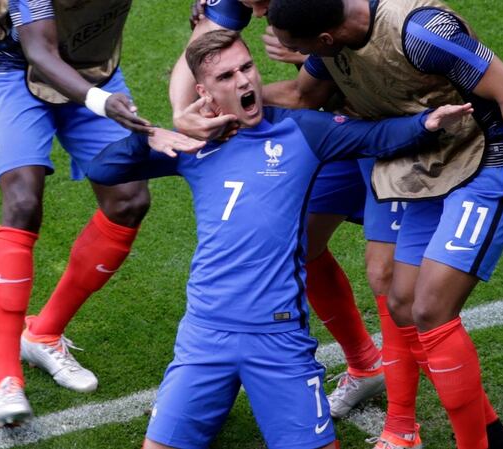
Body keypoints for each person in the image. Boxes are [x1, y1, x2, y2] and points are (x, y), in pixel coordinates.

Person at [86, 30, 472, 449]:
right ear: (204, 92)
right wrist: (151, 135)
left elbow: (373, 137)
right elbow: (103, 169)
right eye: (227, 77)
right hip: (203, 336)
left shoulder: (302, 131)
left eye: (247, 68)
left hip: (278, 340)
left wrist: (426, 122)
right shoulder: (195, 145)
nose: (244, 82)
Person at [265, 0, 503, 448]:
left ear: (326, 40)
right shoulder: (331, 45)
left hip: (486, 164)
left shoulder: (423, 33)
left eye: (295, 48)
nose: (290, 54)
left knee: (430, 309)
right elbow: (304, 95)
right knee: (402, 303)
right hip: (427, 168)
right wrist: (231, 97)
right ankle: (495, 439)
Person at [170, 0, 399, 418]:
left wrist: (228, 107)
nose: (256, 14)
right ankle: (366, 363)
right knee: (302, 242)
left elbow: (302, 93)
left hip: (383, 128)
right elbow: (199, 52)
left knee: (386, 274)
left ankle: (403, 424)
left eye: (258, 4)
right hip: (334, 128)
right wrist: (184, 114)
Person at [0, 0, 154, 426]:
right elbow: (40, 54)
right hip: (17, 75)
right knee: (23, 203)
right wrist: (101, 102)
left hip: (93, 69)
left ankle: (42, 333)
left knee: (129, 200)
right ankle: (6, 378)